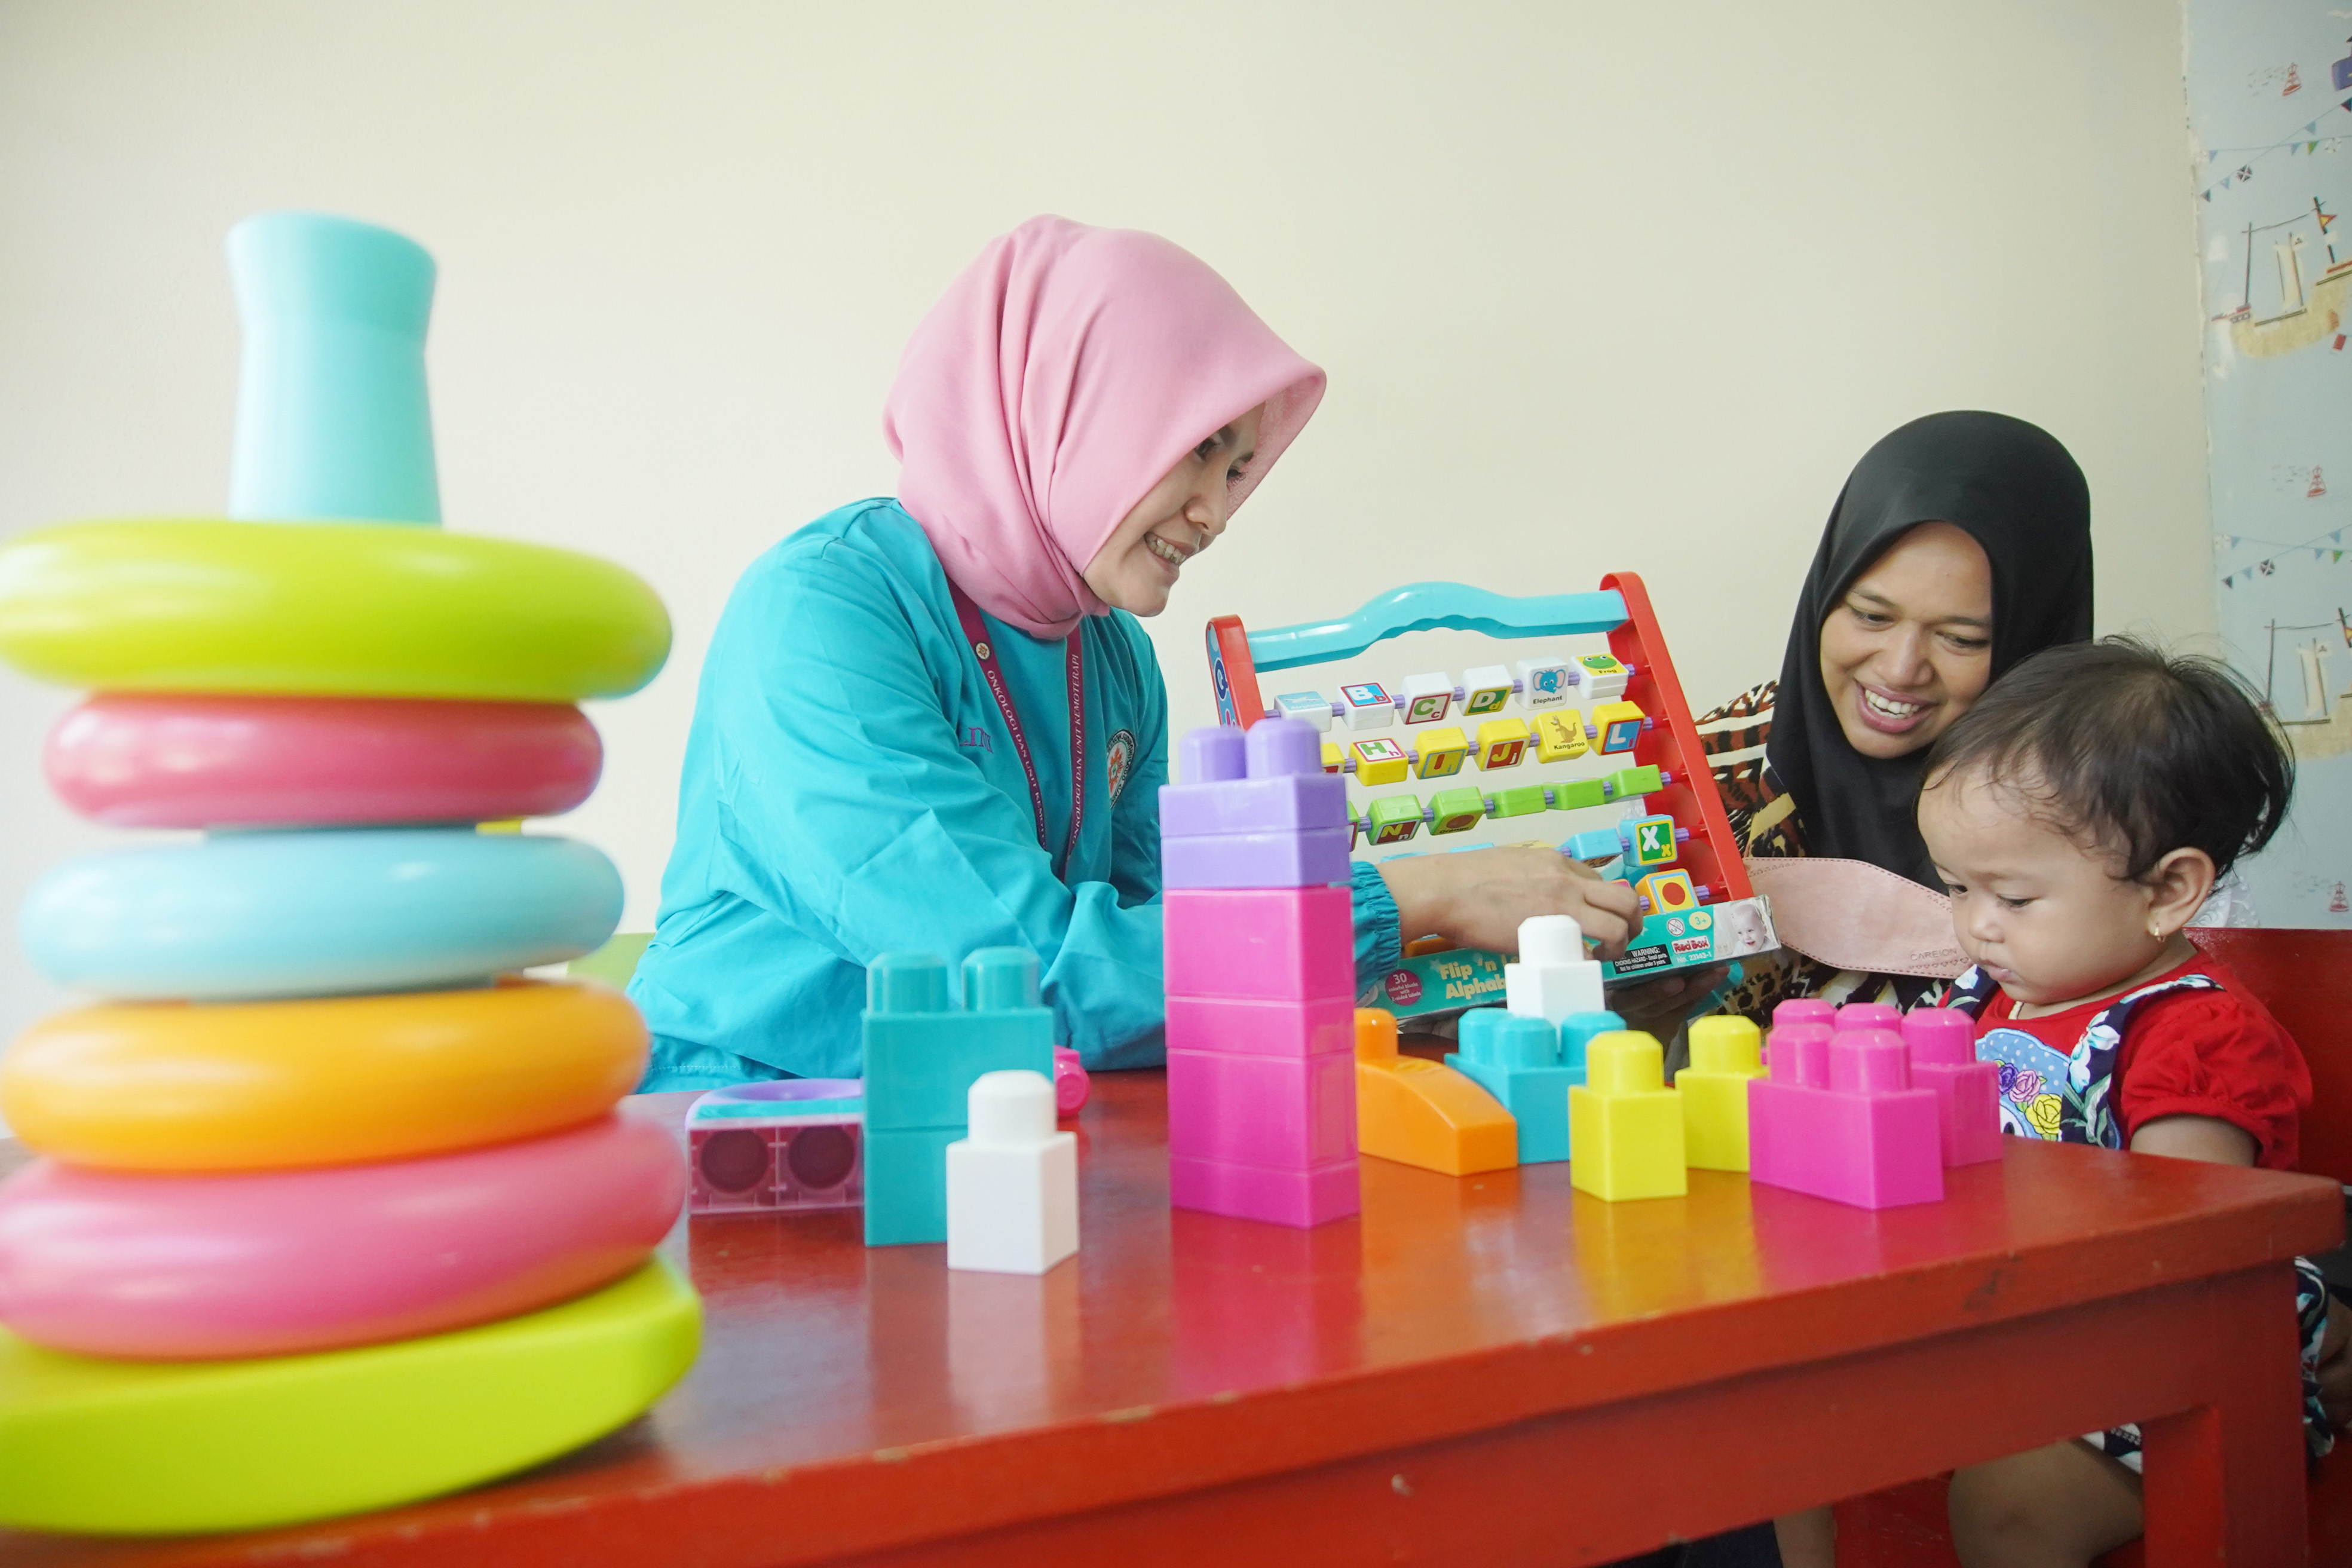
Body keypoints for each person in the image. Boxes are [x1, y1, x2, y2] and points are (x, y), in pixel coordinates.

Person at [630, 216, 1637, 1089]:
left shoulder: (1113, 658)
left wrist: (1448, 964)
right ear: (1072, 408)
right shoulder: (825, 613)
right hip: (750, 1124)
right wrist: (1418, 895)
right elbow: (1019, 973)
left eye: (1237, 470)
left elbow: (1171, 948)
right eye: (1196, 448)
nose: (1216, 513)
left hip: (1000, 1116)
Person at [1781, 638, 2341, 1568]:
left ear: (2169, 891)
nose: (1975, 925)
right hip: (2012, 1327)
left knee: (2011, 1509)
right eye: (1957, 888)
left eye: (2013, 897)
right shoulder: (1983, 998)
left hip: (2173, 1361)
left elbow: (2183, 1246)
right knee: (1789, 1427)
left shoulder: (2196, 1036)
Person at [1696, 411, 2094, 1023]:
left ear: (2031, 640)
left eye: (1961, 639)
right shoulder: (1714, 766)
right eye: (1871, 616)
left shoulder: (2102, 814)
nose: (1901, 669)